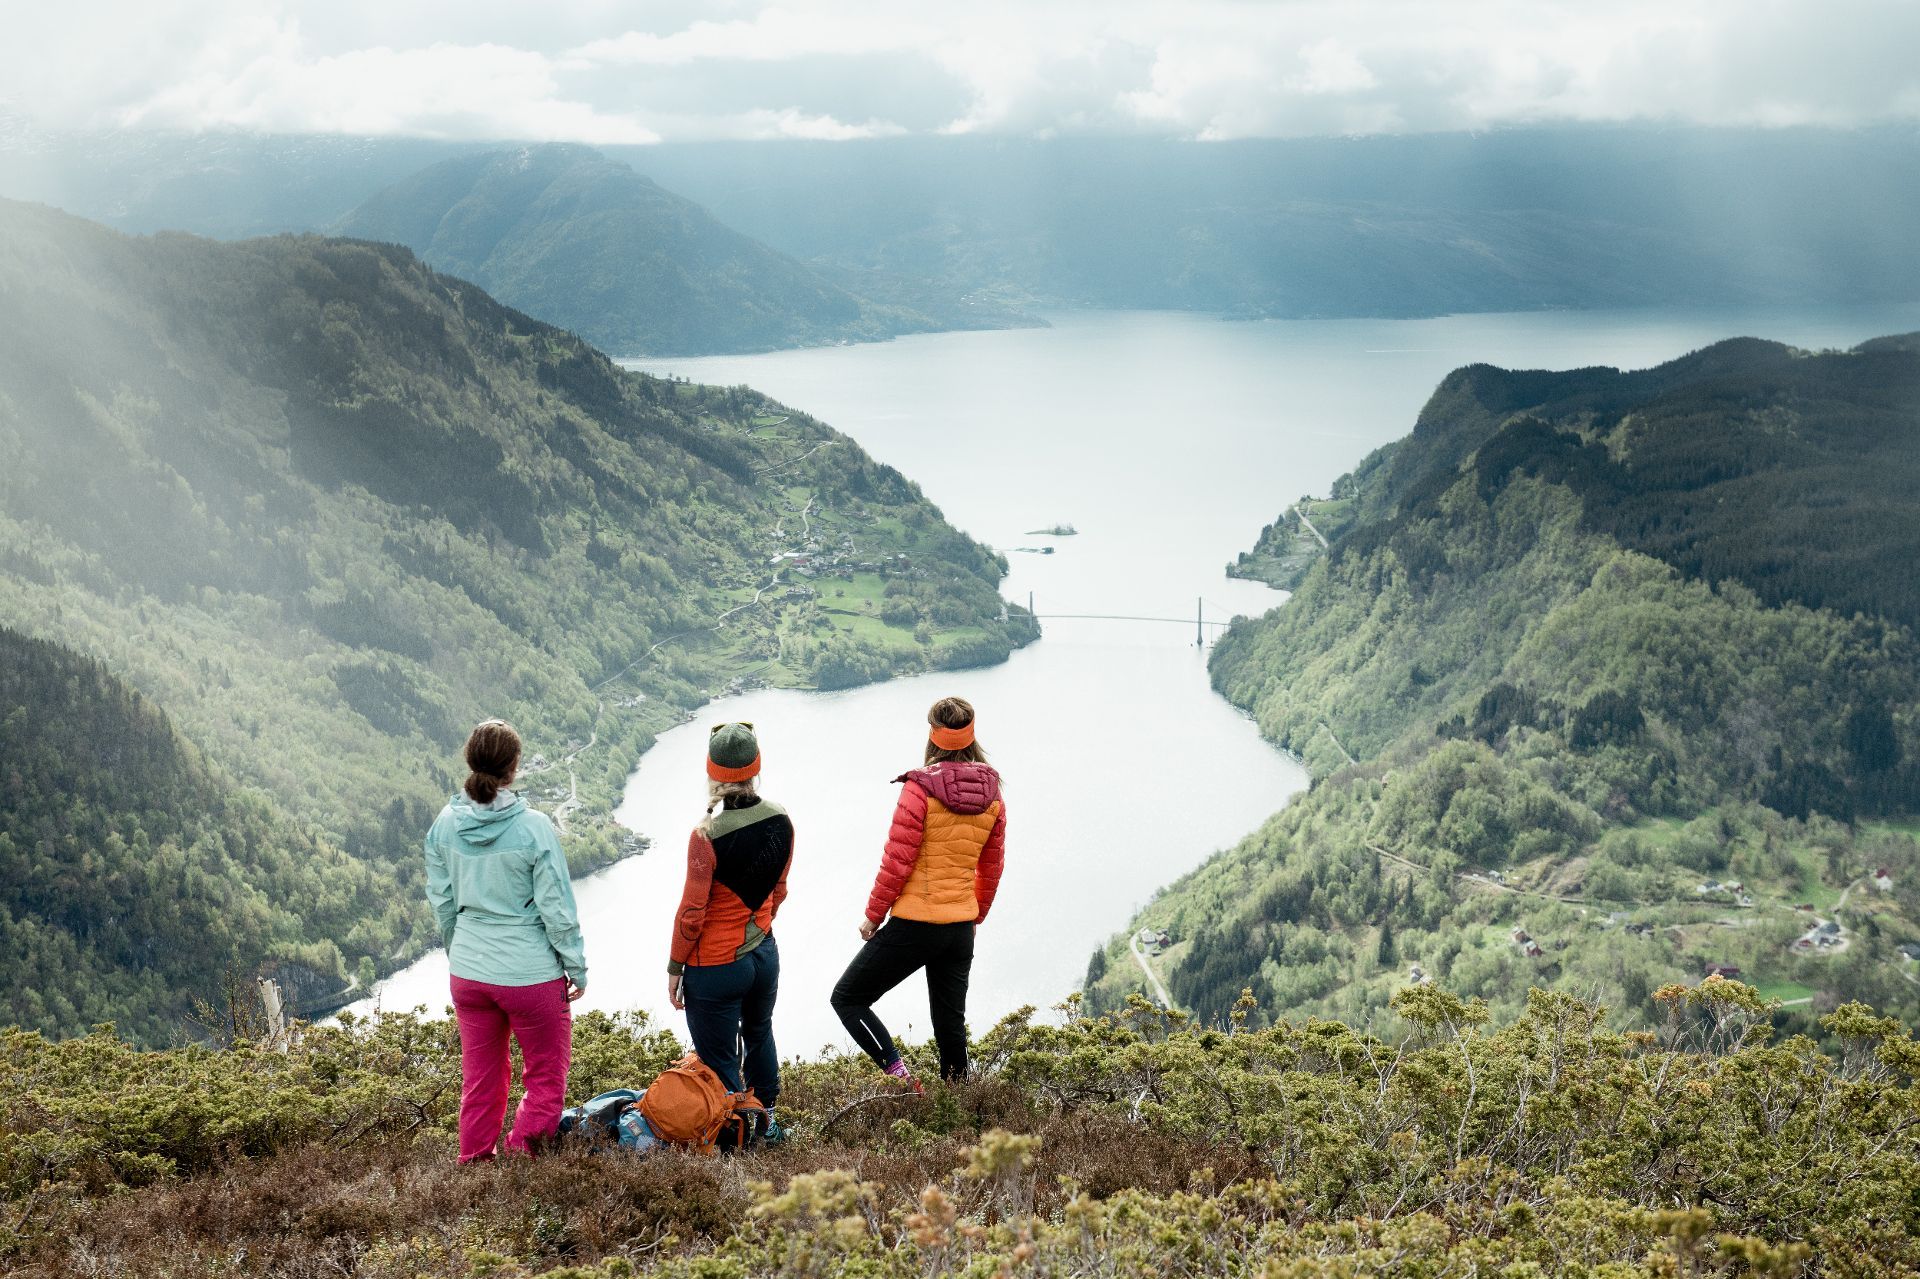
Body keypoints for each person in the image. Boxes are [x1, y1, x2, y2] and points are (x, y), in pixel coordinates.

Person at [424, 718, 587, 1164]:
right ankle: (519, 1168)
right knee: (545, 1081)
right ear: (513, 769)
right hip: (530, 975)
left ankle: (475, 1168)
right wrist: (576, 966)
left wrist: (461, 953)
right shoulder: (533, 828)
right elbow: (556, 907)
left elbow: (443, 904)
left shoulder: (444, 826)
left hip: (470, 975)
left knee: (480, 1081)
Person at [831, 696, 1006, 1088]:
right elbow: (991, 868)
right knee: (950, 1025)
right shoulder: (993, 793)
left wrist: (873, 916)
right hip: (959, 927)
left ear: (933, 736)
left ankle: (902, 1077)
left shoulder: (919, 788)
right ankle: (958, 1108)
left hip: (916, 924)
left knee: (847, 998)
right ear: (971, 736)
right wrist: (974, 917)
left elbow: (897, 860)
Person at [666, 721, 793, 1134]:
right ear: (756, 766)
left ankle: (745, 1139)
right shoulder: (782, 820)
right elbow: (779, 891)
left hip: (717, 967)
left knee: (720, 1060)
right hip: (764, 955)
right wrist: (757, 927)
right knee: (759, 1033)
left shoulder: (706, 836)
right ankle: (768, 1121)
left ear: (712, 772)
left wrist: (674, 967)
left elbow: (692, 915)